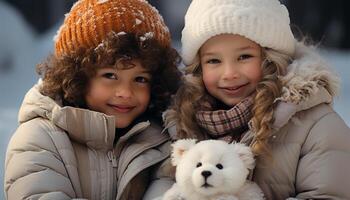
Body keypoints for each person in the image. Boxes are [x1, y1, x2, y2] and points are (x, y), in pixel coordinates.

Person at [162, 0, 350, 199]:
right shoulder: (181, 123)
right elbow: (162, 187)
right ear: (199, 67)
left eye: (244, 57)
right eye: (214, 60)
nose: (230, 73)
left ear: (270, 58)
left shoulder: (317, 125)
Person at [4, 0, 181, 199]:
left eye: (140, 79)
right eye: (110, 76)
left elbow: (168, 190)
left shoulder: (159, 139)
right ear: (77, 76)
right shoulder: (39, 138)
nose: (125, 92)